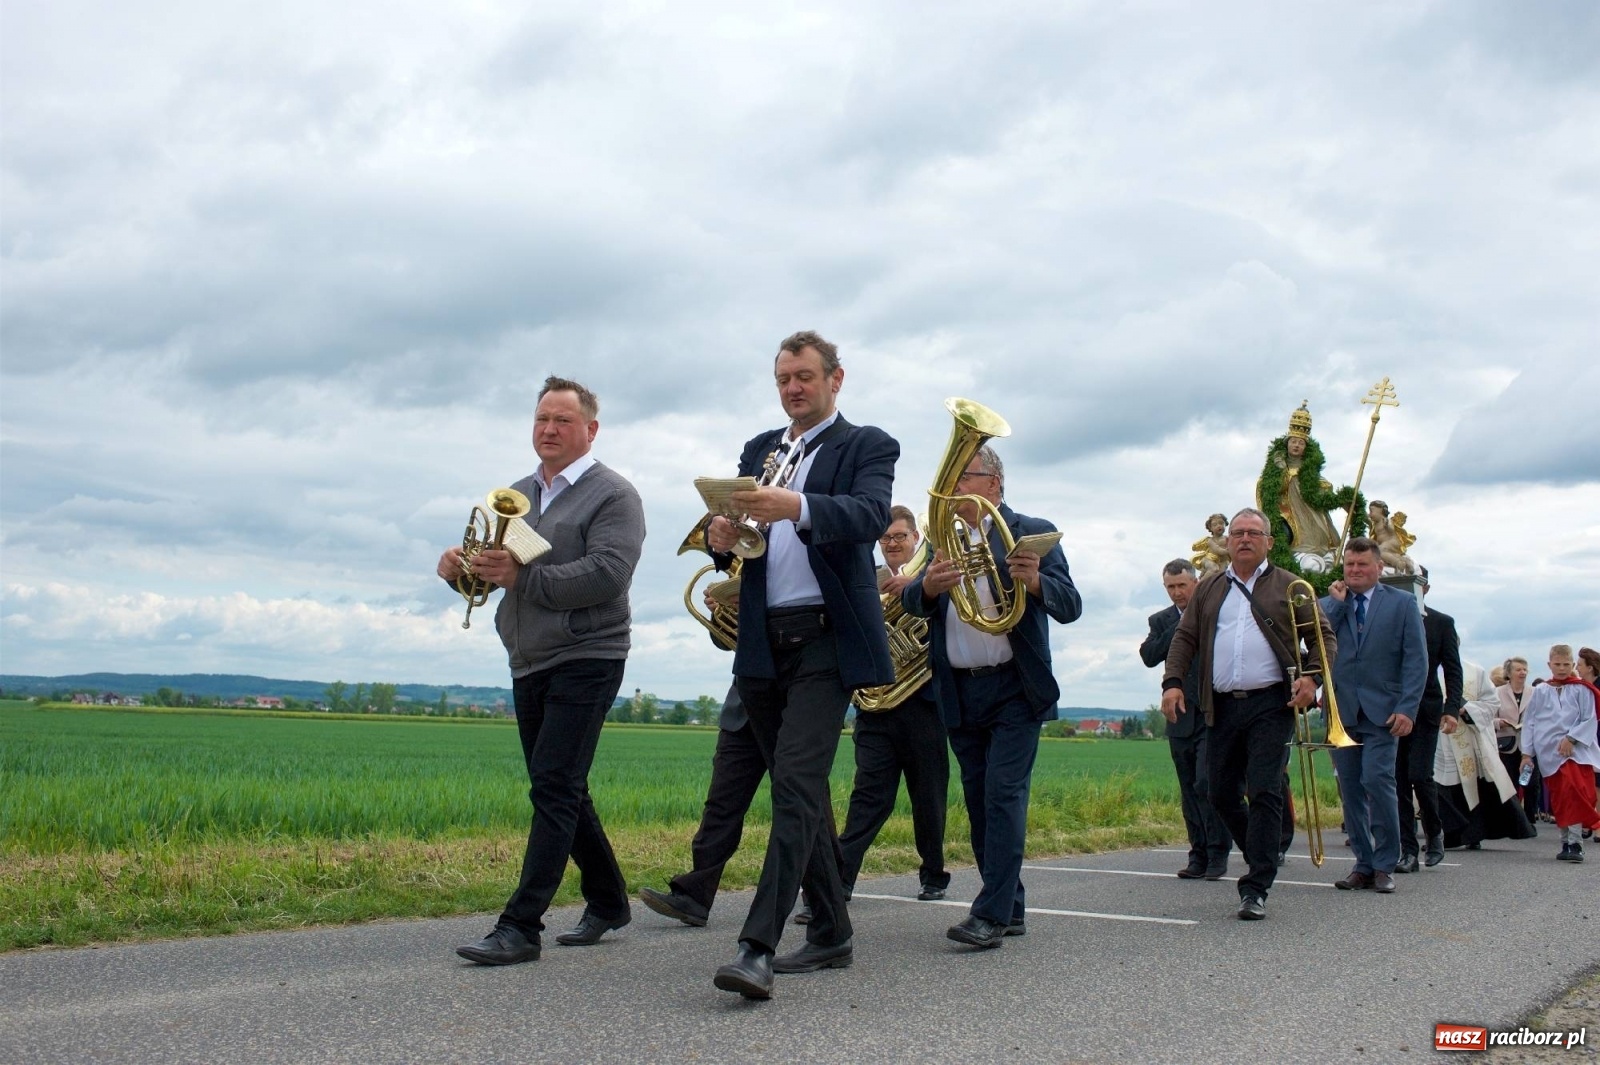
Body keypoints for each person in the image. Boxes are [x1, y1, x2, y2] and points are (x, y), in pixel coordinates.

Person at [705, 330, 898, 999]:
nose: (793, 387)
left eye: (806, 376)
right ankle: (833, 932)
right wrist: (719, 535)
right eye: (785, 377)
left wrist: (799, 505)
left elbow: (871, 513)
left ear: (835, 379)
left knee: (793, 782)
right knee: (805, 790)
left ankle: (756, 945)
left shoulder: (866, 444)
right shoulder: (762, 449)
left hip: (825, 637)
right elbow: (728, 540)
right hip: (763, 639)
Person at [442, 376, 646, 966]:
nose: (549, 430)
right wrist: (461, 571)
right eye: (541, 420)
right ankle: (608, 900)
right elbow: (495, 578)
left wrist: (519, 576)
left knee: (553, 785)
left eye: (562, 420)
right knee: (561, 784)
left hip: (590, 654)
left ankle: (520, 926)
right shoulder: (520, 493)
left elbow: (608, 574)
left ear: (591, 430)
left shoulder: (614, 496)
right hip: (530, 655)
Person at [902, 444, 1082, 947]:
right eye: (952, 478)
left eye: (965, 477)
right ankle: (1011, 906)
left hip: (1014, 689)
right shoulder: (941, 539)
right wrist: (930, 588)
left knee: (1003, 796)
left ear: (995, 484)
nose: (954, 486)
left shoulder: (1030, 531)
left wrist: (1038, 582)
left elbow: (1071, 605)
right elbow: (912, 600)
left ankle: (990, 915)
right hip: (959, 689)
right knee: (981, 803)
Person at [1161, 507, 1331, 921]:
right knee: (1218, 791)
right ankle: (1261, 852)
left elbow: (1321, 637)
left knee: (1265, 789)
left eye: (1253, 533)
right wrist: (1173, 682)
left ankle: (1256, 885)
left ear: (1268, 542)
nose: (1243, 539)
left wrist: (1312, 679)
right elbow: (1186, 636)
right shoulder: (1210, 587)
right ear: (1228, 541)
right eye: (1237, 533)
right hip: (1219, 704)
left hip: (1271, 704)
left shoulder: (1291, 586)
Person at [837, 505, 951, 902]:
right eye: (885, 539)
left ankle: (934, 875)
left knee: (929, 797)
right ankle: (839, 882)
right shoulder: (864, 579)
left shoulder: (932, 578)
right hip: (876, 707)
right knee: (867, 798)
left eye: (899, 537)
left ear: (915, 538)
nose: (891, 544)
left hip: (923, 704)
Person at [1320, 537, 1427, 896]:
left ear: (1378, 567)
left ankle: (1385, 863)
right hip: (1343, 712)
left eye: (1362, 565)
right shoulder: (1331, 605)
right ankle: (1362, 865)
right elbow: (1316, 645)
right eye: (1349, 565)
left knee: (1377, 781)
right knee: (1350, 789)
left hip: (1384, 713)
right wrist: (1335, 607)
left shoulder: (1402, 604)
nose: (1354, 571)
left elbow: (1416, 661)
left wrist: (1407, 708)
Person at [637, 682, 768, 927]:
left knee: (804, 809)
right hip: (742, 709)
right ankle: (695, 896)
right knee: (720, 805)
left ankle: (827, 896)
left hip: (794, 712)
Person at [1140, 559, 1230, 880]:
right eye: (1171, 587)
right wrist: (1180, 627)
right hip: (1179, 716)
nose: (1177, 593)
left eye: (1182, 585)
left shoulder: (1214, 613)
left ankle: (1219, 852)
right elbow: (1149, 656)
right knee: (1188, 788)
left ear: (1195, 583)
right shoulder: (1161, 620)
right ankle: (1198, 853)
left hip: (1211, 711)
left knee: (1207, 782)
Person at [1396, 566, 1462, 872]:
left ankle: (1434, 833)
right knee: (1396, 778)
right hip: (1392, 707)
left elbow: (1452, 669)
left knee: (1419, 775)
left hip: (1426, 708)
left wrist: (1451, 709)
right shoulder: (1387, 619)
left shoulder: (1441, 623)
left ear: (1425, 587)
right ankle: (1407, 849)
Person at [1433, 660, 1533, 849]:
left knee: (1475, 785)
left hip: (1470, 737)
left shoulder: (1475, 671)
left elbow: (1492, 703)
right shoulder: (1424, 668)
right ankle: (1450, 835)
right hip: (1439, 738)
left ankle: (1474, 833)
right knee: (1441, 786)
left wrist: (1465, 708)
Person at [1518, 645, 1600, 861]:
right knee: (1561, 797)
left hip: (1576, 751)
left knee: (1576, 792)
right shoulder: (1541, 691)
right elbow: (1530, 722)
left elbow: (1589, 718)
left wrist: (1572, 738)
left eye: (1566, 664)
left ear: (1573, 665)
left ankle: (1576, 843)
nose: (1562, 669)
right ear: (1549, 664)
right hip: (1549, 753)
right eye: (1557, 664)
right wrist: (1527, 754)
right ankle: (1566, 842)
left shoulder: (1582, 690)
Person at [1494, 656, 1539, 825]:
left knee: (1532, 783)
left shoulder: (1534, 692)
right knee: (1509, 782)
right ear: (1509, 673)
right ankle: (1512, 819)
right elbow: (1489, 718)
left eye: (1525, 669)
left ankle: (1529, 818)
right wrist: (1499, 723)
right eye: (1518, 669)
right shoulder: (1498, 693)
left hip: (1529, 744)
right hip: (1507, 743)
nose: (1522, 672)